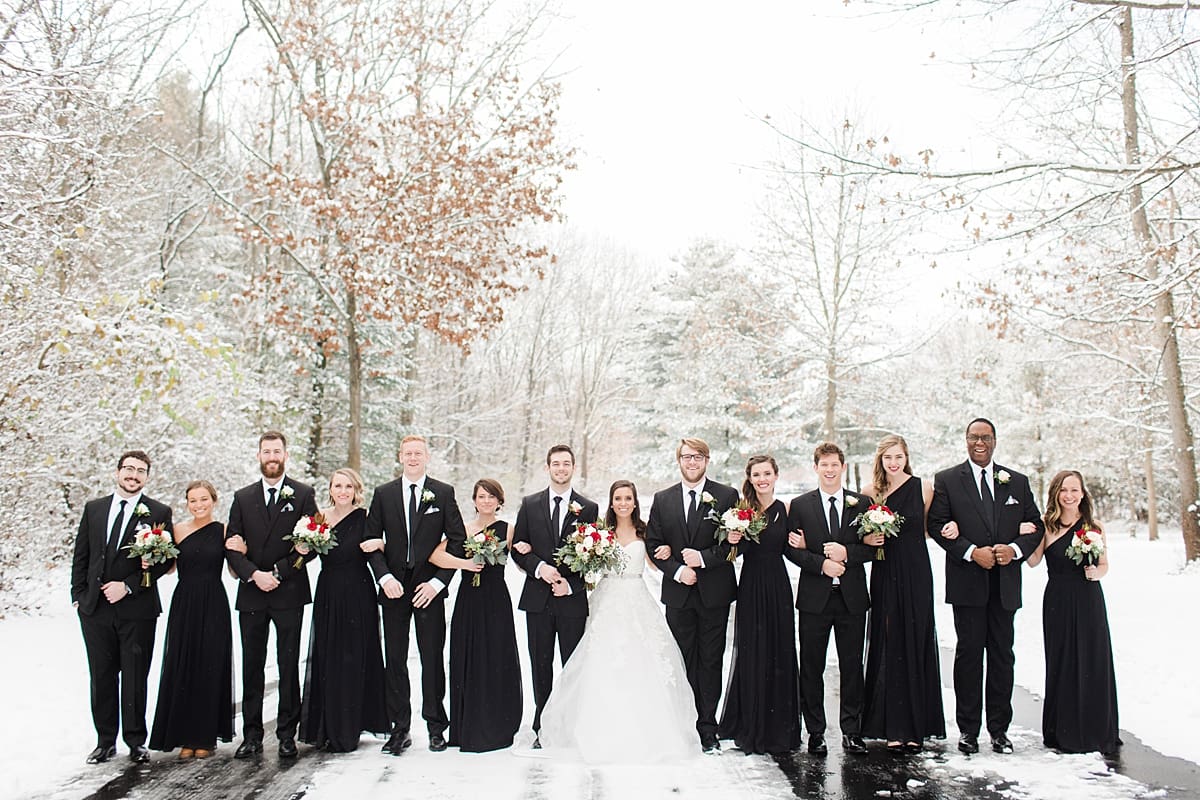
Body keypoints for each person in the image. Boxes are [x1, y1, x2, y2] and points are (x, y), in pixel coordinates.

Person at [535, 480, 697, 762]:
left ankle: (646, 729)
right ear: (611, 502)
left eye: (628, 498)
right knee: (601, 660)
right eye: (618, 498)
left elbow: (655, 563)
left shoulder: (645, 532)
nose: (623, 503)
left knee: (640, 661)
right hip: (607, 598)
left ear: (635, 502)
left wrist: (668, 555)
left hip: (636, 598)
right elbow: (587, 568)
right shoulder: (600, 533)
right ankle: (595, 727)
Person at [927, 418, 1043, 755]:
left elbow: (1035, 525)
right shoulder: (948, 480)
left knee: (1003, 657)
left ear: (995, 440)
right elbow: (936, 524)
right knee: (968, 657)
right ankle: (968, 731)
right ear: (966, 440)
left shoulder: (1017, 482)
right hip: (968, 584)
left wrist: (1015, 551)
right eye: (974, 437)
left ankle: (999, 730)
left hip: (1005, 586)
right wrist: (970, 552)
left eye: (986, 437)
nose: (980, 443)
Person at [364, 435, 466, 755]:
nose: (412, 458)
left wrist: (438, 583)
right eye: (407, 453)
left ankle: (436, 726)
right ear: (400, 456)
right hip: (394, 588)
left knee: (432, 657)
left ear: (427, 457)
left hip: (428, 589)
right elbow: (370, 541)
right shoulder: (383, 494)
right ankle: (400, 728)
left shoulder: (443, 493)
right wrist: (384, 577)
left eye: (418, 453)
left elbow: (458, 540)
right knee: (395, 659)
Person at [71, 450, 174, 764]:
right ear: (117, 472)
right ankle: (104, 741)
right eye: (128, 469)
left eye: (140, 471)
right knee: (101, 676)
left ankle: (135, 740)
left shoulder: (158, 512)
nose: (133, 475)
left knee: (134, 676)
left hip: (137, 609)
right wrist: (78, 595)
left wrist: (127, 585)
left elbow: (164, 560)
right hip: (95, 610)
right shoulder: (94, 509)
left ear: (146, 476)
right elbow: (82, 556)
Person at [224, 431, 319, 759]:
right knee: (252, 665)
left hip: (288, 592)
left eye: (277, 451)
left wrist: (278, 572)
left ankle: (286, 734)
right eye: (266, 451)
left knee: (287, 663)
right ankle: (251, 735)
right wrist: (253, 574)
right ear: (259, 456)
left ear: (285, 455)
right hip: (251, 592)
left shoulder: (304, 494)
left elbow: (311, 546)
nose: (272, 456)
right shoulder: (242, 497)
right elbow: (232, 545)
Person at [645, 437, 740, 754]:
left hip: (715, 593)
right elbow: (654, 546)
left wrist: (703, 559)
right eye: (687, 456)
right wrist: (675, 570)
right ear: (679, 461)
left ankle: (707, 728)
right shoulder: (662, 499)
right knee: (681, 661)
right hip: (679, 595)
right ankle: (683, 724)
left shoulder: (727, 496)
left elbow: (732, 545)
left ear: (707, 460)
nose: (692, 462)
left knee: (711, 661)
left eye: (698, 457)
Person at [859, 435, 945, 754]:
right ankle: (892, 726)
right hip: (884, 570)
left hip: (917, 571)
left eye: (898, 457)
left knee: (915, 641)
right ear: (880, 460)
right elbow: (858, 534)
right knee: (890, 641)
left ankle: (916, 727)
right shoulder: (870, 493)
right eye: (887, 458)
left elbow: (932, 528)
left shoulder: (924, 489)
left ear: (906, 457)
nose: (893, 463)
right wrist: (869, 539)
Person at [785, 442, 872, 756]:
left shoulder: (862, 503)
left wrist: (847, 553)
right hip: (814, 599)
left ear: (843, 467)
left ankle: (852, 731)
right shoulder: (800, 505)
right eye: (824, 465)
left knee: (852, 666)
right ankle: (816, 732)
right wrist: (821, 564)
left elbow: (873, 546)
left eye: (835, 465)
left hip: (852, 599)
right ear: (816, 468)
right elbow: (791, 550)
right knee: (811, 667)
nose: (830, 470)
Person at [510, 444, 600, 747]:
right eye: (556, 464)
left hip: (571, 600)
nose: (561, 469)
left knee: (572, 664)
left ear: (573, 468)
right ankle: (541, 725)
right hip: (537, 598)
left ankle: (571, 723)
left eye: (566, 464)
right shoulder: (530, 503)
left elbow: (593, 554)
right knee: (540, 664)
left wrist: (569, 583)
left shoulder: (588, 508)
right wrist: (540, 568)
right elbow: (518, 548)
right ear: (547, 467)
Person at [1026, 470, 1120, 754]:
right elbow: (1032, 562)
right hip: (1057, 600)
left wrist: (1096, 573)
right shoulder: (1047, 525)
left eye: (1074, 490)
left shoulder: (1094, 526)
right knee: (1063, 660)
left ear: (1082, 493)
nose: (1069, 495)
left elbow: (1105, 564)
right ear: (1056, 493)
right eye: (1063, 490)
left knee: (1093, 660)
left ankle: (1094, 730)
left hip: (1089, 598)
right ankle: (1063, 730)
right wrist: (1025, 534)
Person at [428, 478, 522, 752]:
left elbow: (521, 558)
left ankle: (497, 722)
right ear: (474, 500)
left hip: (496, 601)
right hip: (469, 601)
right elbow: (435, 556)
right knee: (469, 656)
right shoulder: (464, 530)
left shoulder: (508, 530)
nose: (486, 501)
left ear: (499, 501)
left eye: (491, 497)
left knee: (495, 657)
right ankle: (468, 723)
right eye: (482, 496)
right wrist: (465, 564)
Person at [298, 468, 388, 751]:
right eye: (338, 485)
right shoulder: (319, 518)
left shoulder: (364, 517)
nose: (343, 491)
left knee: (354, 658)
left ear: (356, 490)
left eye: (348, 486)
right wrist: (302, 548)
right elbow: (309, 553)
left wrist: (383, 547)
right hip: (329, 590)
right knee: (329, 656)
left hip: (359, 591)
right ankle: (326, 726)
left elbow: (377, 549)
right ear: (330, 489)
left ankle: (350, 726)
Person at [717, 455, 802, 755]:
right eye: (757, 474)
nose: (762, 478)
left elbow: (790, 551)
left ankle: (779, 728)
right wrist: (732, 539)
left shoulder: (785, 510)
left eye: (767, 473)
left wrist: (802, 547)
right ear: (750, 478)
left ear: (776, 475)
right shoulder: (742, 510)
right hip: (751, 585)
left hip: (778, 585)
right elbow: (731, 554)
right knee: (753, 651)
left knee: (779, 650)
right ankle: (751, 724)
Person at [148, 480, 234, 759]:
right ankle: (184, 736)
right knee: (184, 664)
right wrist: (148, 557)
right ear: (186, 503)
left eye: (204, 499)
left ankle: (205, 737)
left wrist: (241, 549)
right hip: (184, 601)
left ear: (214, 500)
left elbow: (233, 571)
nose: (198, 505)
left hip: (213, 601)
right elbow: (169, 568)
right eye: (193, 500)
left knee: (209, 665)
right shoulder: (177, 530)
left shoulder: (223, 530)